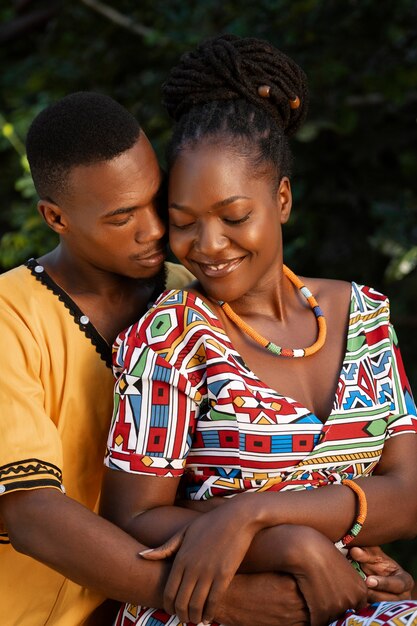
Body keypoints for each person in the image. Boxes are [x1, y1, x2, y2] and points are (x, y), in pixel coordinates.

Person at [102, 36, 417, 626]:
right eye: (183, 223)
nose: (208, 245)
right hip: (215, 609)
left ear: (283, 198)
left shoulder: (364, 315)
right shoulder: (169, 337)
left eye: (234, 216)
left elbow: (410, 495)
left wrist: (251, 516)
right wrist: (293, 545)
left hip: (351, 601)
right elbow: (132, 520)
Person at [0, 92, 301, 626]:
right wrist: (226, 601)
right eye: (122, 218)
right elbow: (29, 514)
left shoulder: (192, 294)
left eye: (155, 200)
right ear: (55, 217)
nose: (156, 230)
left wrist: (347, 555)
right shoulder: (10, 318)